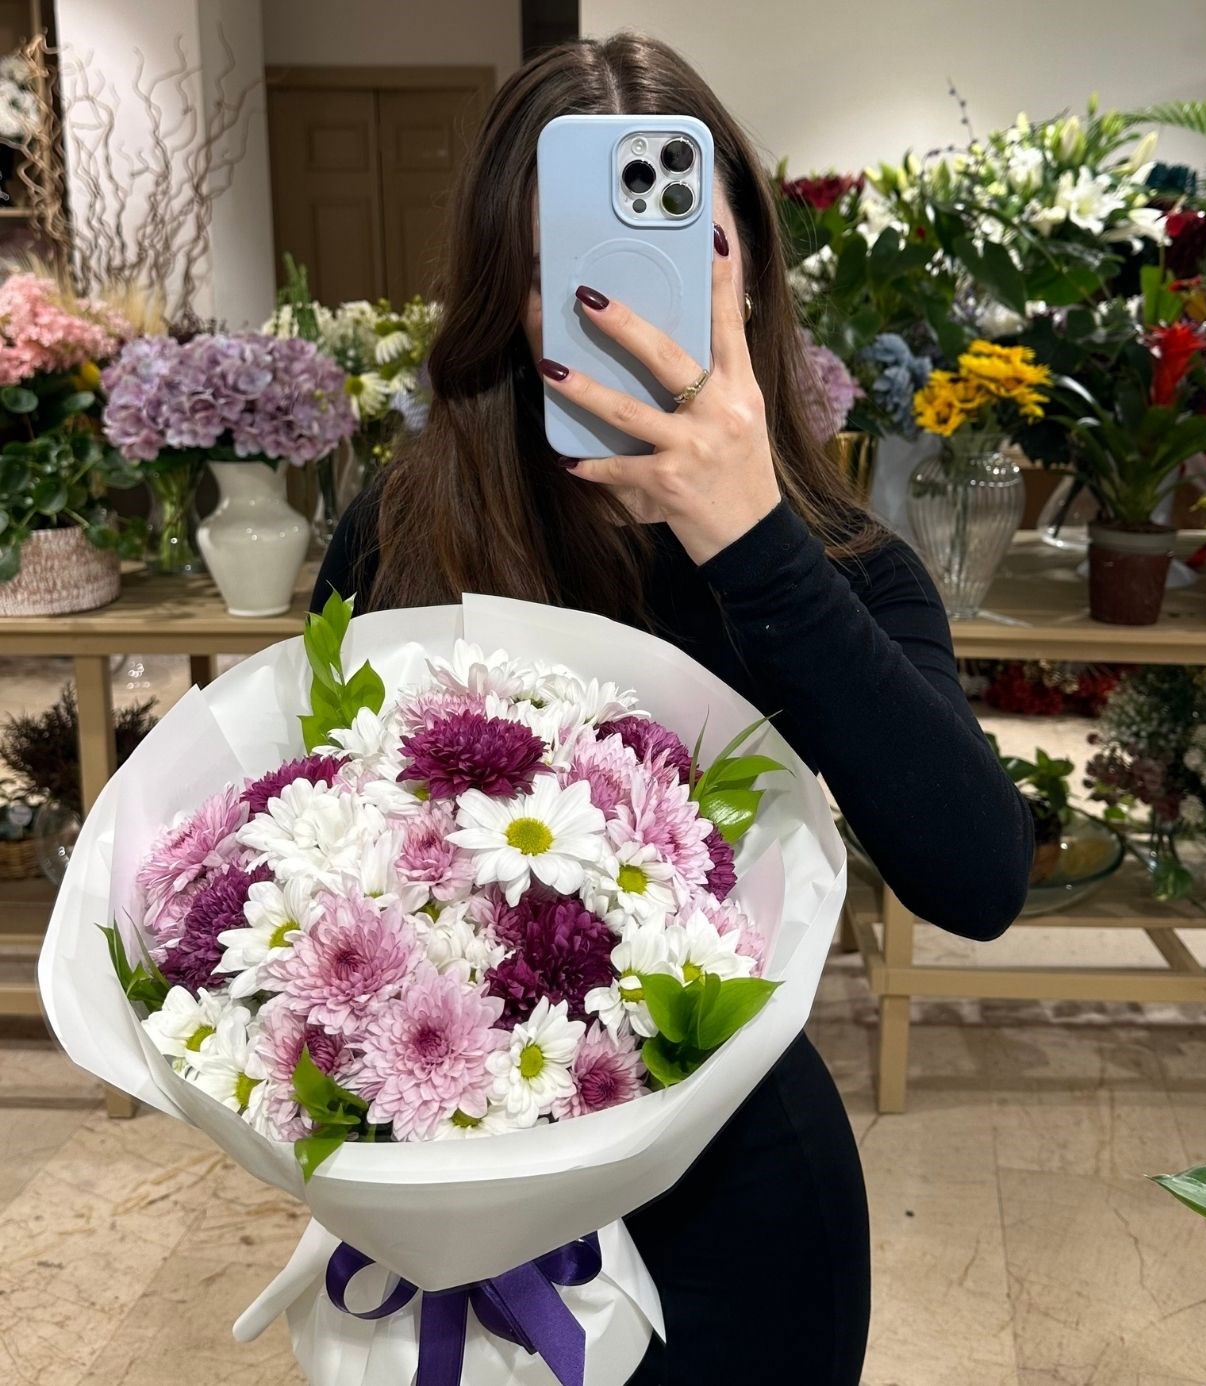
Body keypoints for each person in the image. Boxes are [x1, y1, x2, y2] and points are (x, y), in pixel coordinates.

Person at [311, 29, 1034, 1385]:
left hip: (743, 1215)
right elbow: (319, 860)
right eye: (561, 271)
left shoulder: (838, 572)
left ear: (746, 275)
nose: (614, 313)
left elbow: (978, 876)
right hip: (451, 1203)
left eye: (678, 257)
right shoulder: (397, 539)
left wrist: (752, 539)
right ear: (505, 298)